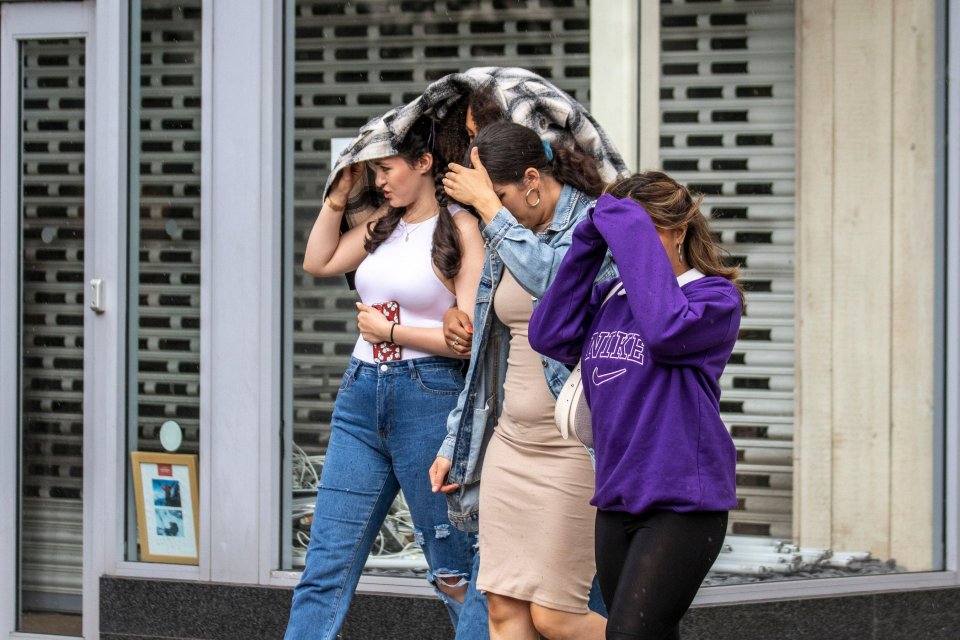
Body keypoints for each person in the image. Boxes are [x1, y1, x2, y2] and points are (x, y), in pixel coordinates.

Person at [285, 115, 486, 640]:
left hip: (430, 397)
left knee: (452, 569)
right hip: (361, 396)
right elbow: (317, 259)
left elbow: (468, 340)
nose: (380, 180)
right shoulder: (381, 223)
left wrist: (391, 331)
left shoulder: (460, 227)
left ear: (424, 163)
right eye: (373, 170)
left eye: (388, 167)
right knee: (325, 563)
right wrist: (337, 197)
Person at [528, 172, 744, 640]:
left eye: (640, 234)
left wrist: (628, 229)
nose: (627, 247)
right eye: (621, 236)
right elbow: (549, 335)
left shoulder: (713, 298)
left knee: (628, 634)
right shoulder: (613, 296)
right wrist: (587, 239)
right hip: (618, 491)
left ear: (679, 231)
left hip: (684, 498)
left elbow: (666, 331)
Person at [429, 121, 618, 640]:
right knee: (503, 612)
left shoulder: (599, 221)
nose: (499, 208)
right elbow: (491, 354)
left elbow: (560, 286)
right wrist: (455, 438)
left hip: (573, 449)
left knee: (557, 615)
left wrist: (490, 212)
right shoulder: (507, 231)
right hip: (510, 447)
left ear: (533, 179)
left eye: (504, 196)